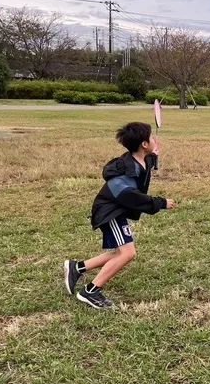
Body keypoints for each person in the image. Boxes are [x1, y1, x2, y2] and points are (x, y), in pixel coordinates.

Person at [64, 122, 176, 308]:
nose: (154, 139)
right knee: (127, 253)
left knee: (119, 253)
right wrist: (160, 203)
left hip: (117, 209)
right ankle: (90, 291)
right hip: (110, 212)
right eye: (151, 137)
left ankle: (77, 268)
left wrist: (154, 156)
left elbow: (146, 166)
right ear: (144, 145)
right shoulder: (125, 172)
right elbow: (131, 196)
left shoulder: (139, 159)